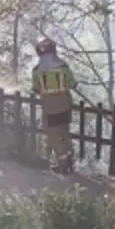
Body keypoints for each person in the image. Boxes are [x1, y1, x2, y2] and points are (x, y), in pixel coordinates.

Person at [31, 37, 77, 173]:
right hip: (65, 104)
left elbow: (36, 88)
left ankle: (62, 163)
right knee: (64, 131)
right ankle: (70, 159)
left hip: (50, 108)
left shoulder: (37, 70)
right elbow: (72, 83)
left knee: (53, 135)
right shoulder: (63, 66)